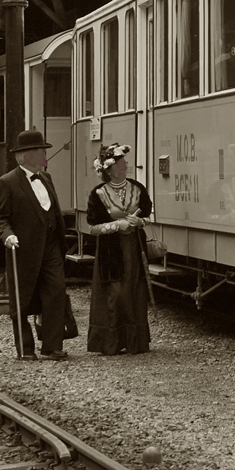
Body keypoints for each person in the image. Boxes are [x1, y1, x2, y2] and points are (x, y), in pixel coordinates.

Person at [0, 129, 70, 361]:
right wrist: (7, 236)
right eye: (41, 152)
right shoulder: (6, 182)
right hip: (23, 250)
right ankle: (25, 349)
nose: (46, 156)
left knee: (56, 292)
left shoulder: (46, 178)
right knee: (21, 300)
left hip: (51, 247)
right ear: (26, 156)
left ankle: (52, 346)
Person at [86, 142, 152, 355]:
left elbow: (149, 216)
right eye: (120, 162)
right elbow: (92, 228)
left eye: (125, 161)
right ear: (109, 169)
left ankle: (136, 343)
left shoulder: (137, 188)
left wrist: (139, 222)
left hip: (134, 248)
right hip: (111, 252)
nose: (125, 165)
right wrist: (116, 225)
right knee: (118, 294)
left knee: (135, 293)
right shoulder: (98, 194)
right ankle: (111, 342)